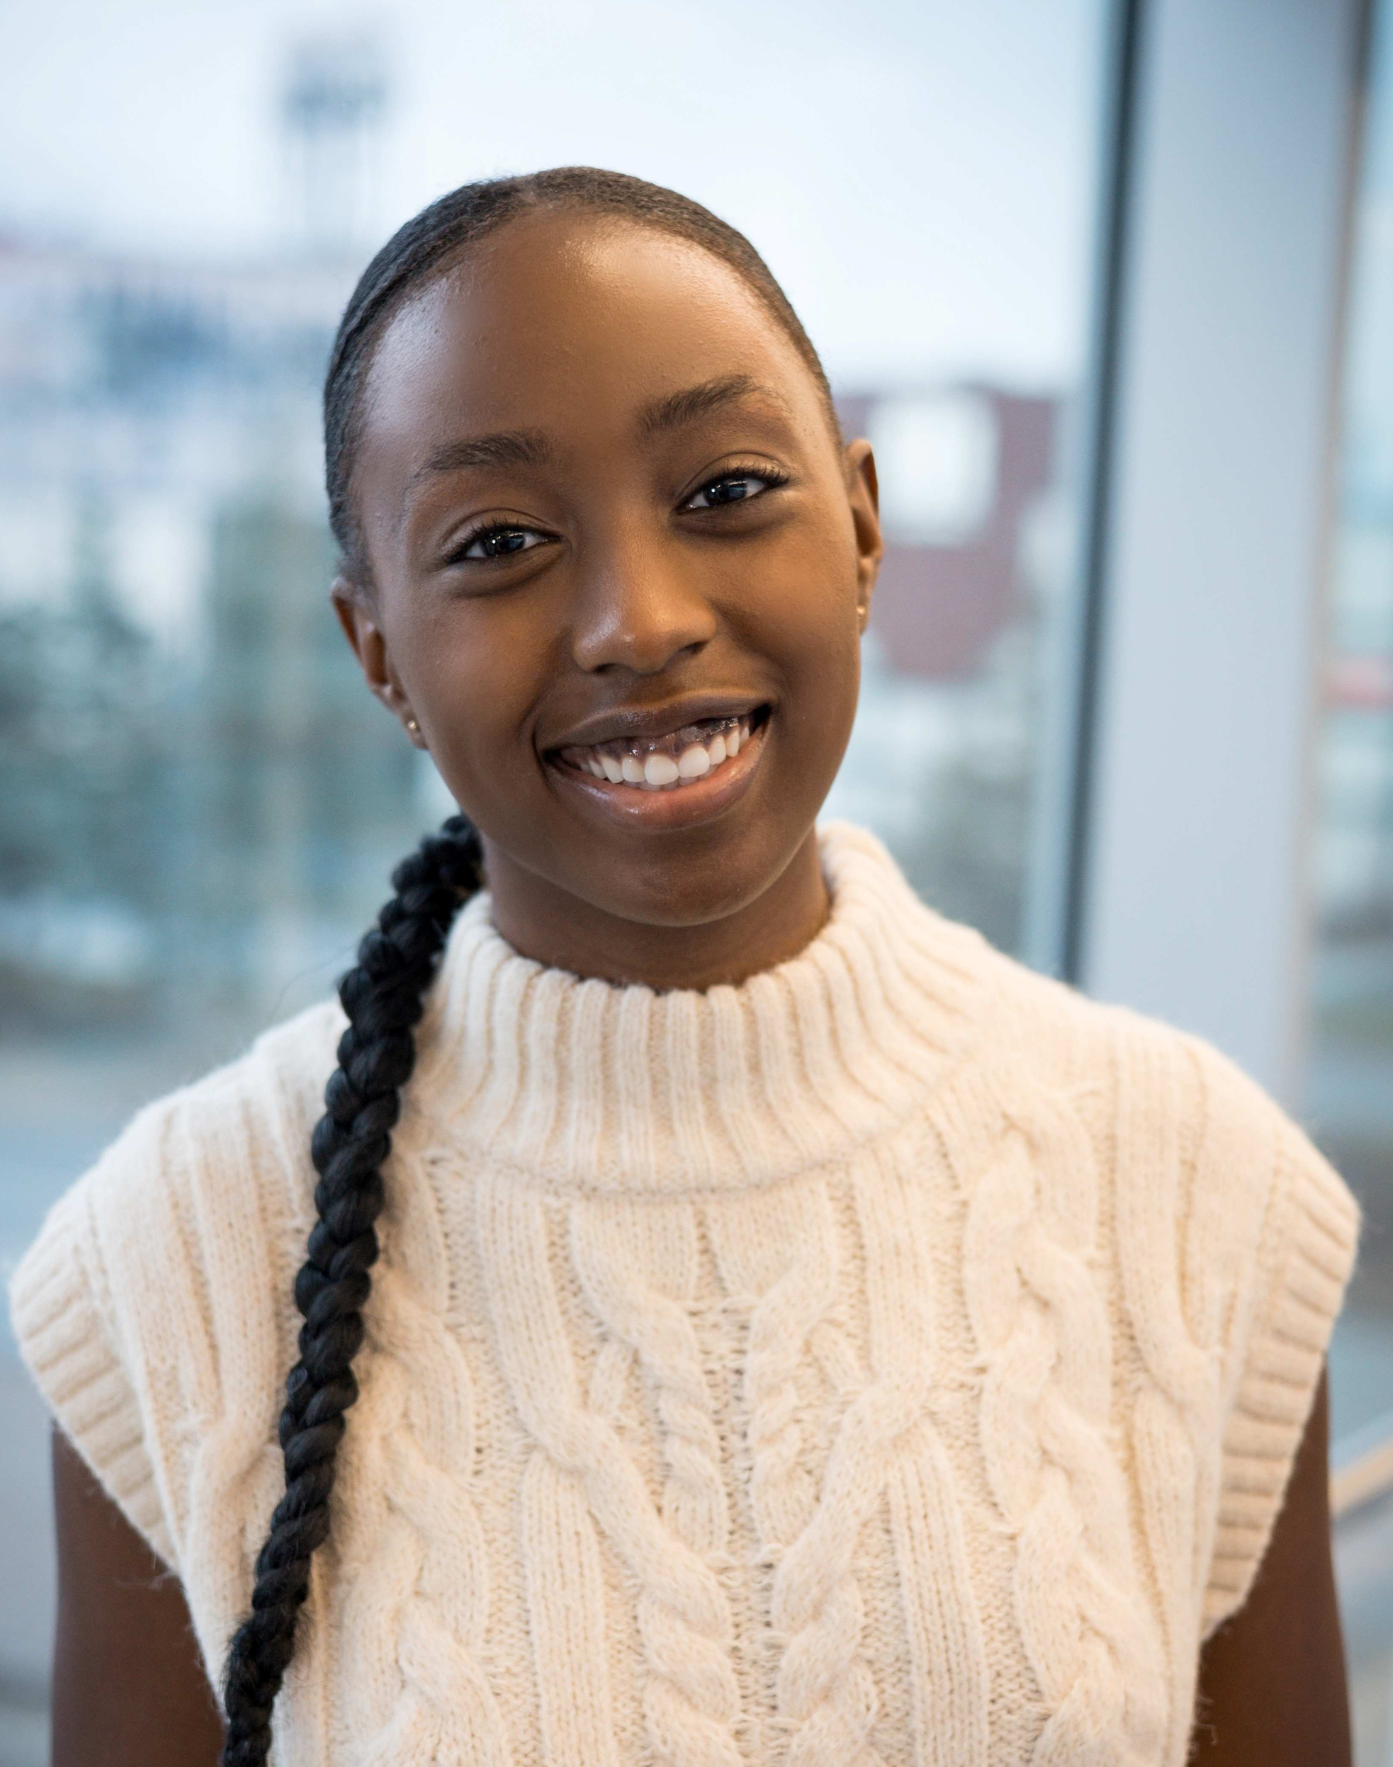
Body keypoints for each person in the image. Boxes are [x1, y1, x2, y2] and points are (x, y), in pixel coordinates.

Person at [11, 168, 1358, 1767]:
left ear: (862, 529)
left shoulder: (1196, 1185)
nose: (638, 622)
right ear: (379, 655)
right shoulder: (173, 1254)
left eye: (724, 490)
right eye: (499, 540)